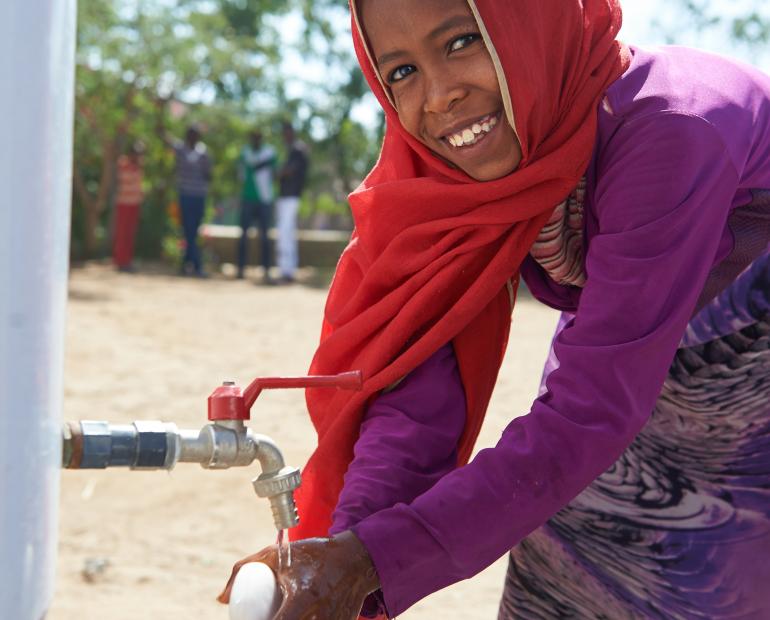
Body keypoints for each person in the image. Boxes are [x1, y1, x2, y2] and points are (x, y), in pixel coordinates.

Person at [219, 1, 770, 618]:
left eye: (459, 42)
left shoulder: (672, 128)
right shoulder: (474, 163)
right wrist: (344, 557)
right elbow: (424, 388)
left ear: (530, 24)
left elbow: (591, 415)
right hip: (630, 349)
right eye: (400, 72)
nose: (438, 96)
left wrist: (370, 560)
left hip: (746, 366)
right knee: (568, 571)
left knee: (710, 583)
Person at [161, 123, 213, 277]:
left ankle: (186, 265)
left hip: (199, 196)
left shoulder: (204, 153)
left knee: (193, 231)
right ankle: (196, 266)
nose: (192, 137)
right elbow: (166, 137)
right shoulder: (180, 149)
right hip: (185, 195)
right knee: (188, 230)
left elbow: (208, 175)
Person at [237, 130, 276, 282]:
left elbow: (274, 173)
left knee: (265, 237)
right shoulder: (245, 153)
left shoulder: (269, 152)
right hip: (248, 198)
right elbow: (241, 175)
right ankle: (241, 269)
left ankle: (266, 270)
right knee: (243, 236)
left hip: (265, 199)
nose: (256, 140)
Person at [275, 122, 309, 284]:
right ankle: (286, 269)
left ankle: (287, 270)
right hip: (286, 196)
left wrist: (279, 173)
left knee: (285, 232)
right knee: (286, 233)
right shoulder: (293, 149)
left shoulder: (298, 149)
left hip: (291, 196)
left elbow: (289, 171)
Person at [112, 141, 145, 272]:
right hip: (124, 203)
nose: (138, 156)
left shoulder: (138, 167)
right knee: (122, 233)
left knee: (130, 234)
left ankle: (127, 260)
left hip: (134, 203)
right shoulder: (123, 164)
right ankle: (120, 260)